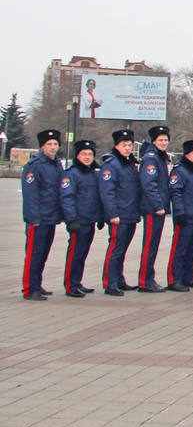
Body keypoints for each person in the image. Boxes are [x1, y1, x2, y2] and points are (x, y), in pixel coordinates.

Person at [21, 130, 64, 301]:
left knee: (43, 254)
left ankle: (37, 284)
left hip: (51, 216)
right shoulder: (34, 165)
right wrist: (33, 218)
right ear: (42, 147)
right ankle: (29, 289)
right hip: (38, 219)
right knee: (34, 254)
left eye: (55, 144)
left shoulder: (56, 164)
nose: (53, 147)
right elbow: (30, 194)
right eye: (49, 144)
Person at [100, 129, 142, 296]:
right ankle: (109, 283)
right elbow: (107, 192)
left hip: (130, 213)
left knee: (122, 250)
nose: (127, 148)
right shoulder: (111, 164)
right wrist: (112, 214)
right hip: (119, 215)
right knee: (115, 249)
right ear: (116, 146)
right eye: (124, 145)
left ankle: (119, 279)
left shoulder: (129, 163)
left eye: (129, 145)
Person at [166, 140, 193, 292]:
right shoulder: (180, 170)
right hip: (186, 217)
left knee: (192, 249)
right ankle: (174, 279)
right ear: (186, 154)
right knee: (180, 249)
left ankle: (188, 277)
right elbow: (176, 192)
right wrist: (179, 213)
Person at [60, 139, 101, 297]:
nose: (87, 157)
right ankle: (70, 285)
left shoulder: (93, 174)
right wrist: (71, 219)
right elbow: (67, 198)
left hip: (89, 220)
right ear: (77, 156)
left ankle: (77, 281)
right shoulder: (71, 174)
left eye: (90, 154)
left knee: (82, 253)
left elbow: (96, 197)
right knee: (75, 253)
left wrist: (100, 217)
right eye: (84, 154)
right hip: (78, 221)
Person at [137, 125, 171, 293]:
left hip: (158, 209)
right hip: (153, 209)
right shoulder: (151, 158)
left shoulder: (159, 157)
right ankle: (145, 281)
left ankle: (149, 278)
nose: (164, 142)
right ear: (154, 141)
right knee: (150, 245)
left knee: (154, 244)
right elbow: (149, 184)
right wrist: (158, 206)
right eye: (160, 140)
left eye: (166, 140)